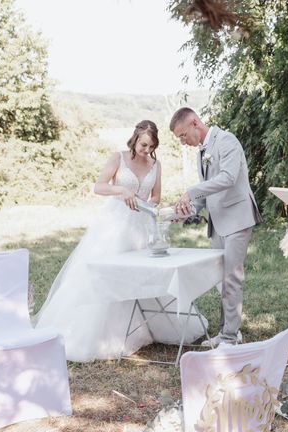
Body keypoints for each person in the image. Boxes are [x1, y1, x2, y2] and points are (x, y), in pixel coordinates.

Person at [36, 121, 205, 361]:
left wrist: (149, 204)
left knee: (144, 275)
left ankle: (148, 325)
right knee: (109, 274)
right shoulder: (118, 158)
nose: (146, 150)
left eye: (151, 146)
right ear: (135, 139)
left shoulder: (156, 165)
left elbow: (156, 196)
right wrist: (122, 192)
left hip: (141, 224)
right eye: (143, 144)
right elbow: (99, 186)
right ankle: (102, 334)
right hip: (114, 225)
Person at [170, 107, 262, 347]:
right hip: (218, 222)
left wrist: (190, 191)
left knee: (232, 279)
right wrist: (187, 210)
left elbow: (228, 178)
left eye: (182, 136)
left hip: (237, 218)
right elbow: (206, 190)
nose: (182, 142)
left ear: (194, 123)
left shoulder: (227, 141)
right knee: (222, 280)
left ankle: (230, 337)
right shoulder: (202, 151)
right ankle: (227, 332)